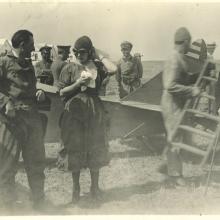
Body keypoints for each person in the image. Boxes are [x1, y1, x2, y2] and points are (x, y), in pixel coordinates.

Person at [57, 36, 116, 204]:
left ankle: (95, 187)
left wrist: (99, 55)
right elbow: (61, 92)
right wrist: (77, 84)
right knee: (75, 147)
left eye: (82, 52)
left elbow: (113, 69)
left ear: (89, 51)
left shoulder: (97, 66)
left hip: (94, 110)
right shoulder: (69, 68)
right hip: (74, 111)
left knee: (95, 145)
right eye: (76, 52)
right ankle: (76, 189)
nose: (78, 55)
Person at [0, 30, 47, 211]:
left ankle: (39, 204)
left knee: (36, 163)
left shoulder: (29, 64)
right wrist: (6, 103)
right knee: (7, 166)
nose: (34, 48)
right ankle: (7, 208)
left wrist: (38, 93)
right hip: (12, 121)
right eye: (31, 45)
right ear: (21, 45)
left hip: (32, 119)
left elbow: (29, 89)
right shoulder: (3, 62)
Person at [160, 27, 201, 186]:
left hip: (177, 103)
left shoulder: (179, 57)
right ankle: (175, 176)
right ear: (185, 42)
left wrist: (197, 77)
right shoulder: (174, 58)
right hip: (172, 104)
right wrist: (192, 90)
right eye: (189, 42)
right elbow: (170, 85)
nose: (190, 46)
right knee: (174, 138)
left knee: (177, 137)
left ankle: (174, 171)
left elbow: (182, 79)